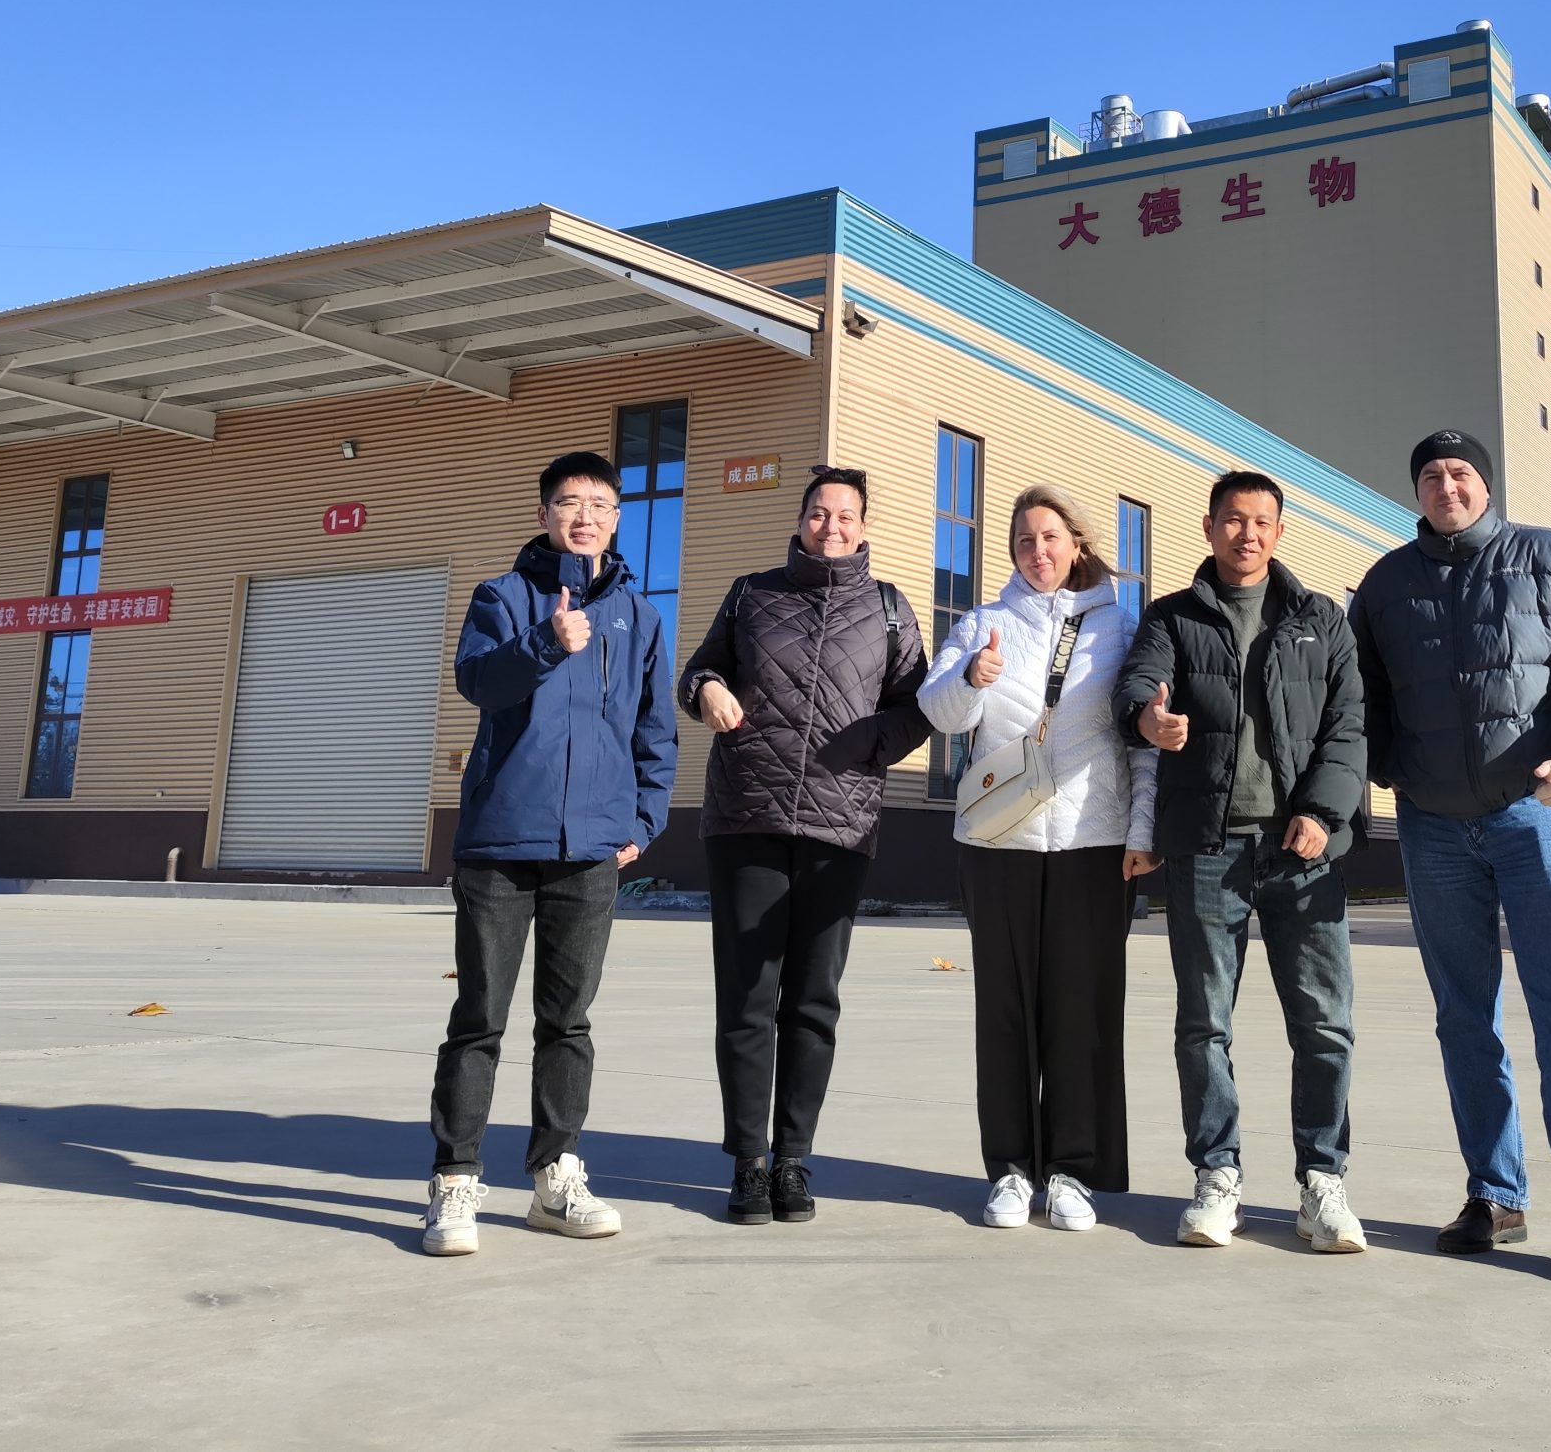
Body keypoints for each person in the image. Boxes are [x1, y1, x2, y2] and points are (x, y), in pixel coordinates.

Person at [1347, 430, 1551, 1292]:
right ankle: (1495, 1194)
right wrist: (1387, 771)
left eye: (1461, 473)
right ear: (1416, 491)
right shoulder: (1386, 583)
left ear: (1486, 484)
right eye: (1431, 476)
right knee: (1464, 1017)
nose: (1447, 486)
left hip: (1533, 817)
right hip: (1433, 827)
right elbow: (1358, 695)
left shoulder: (1550, 558)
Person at [422, 449, 676, 1257]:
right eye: (569, 502)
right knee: (479, 1019)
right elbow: (477, 683)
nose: (585, 516)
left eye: (600, 504)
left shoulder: (639, 615)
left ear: (617, 519)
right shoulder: (501, 596)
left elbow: (654, 730)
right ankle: (454, 1180)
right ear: (543, 514)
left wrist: (644, 817)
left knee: (568, 1022)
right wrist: (546, 642)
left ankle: (555, 1175)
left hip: (591, 849)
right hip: (500, 841)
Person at [1113, 469, 1369, 1253]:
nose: (1246, 533)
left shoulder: (1321, 620)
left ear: (1279, 533)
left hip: (1303, 851)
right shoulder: (1172, 616)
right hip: (1206, 847)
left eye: (1261, 521)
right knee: (1204, 1024)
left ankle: (1322, 1180)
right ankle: (1216, 1177)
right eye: (1232, 519)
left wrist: (1322, 813)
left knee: (1324, 1024)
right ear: (1208, 527)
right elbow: (1136, 687)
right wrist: (1148, 721)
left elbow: (1348, 727)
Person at [681, 464, 930, 1225]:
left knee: (814, 1000)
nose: (831, 527)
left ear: (864, 526)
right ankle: (748, 1162)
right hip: (746, 818)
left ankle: (793, 1158)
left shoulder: (889, 609)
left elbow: (918, 707)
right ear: (800, 520)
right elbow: (699, 672)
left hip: (839, 825)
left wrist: (864, 748)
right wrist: (708, 690)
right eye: (819, 513)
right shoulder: (750, 594)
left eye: (845, 515)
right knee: (747, 996)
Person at [920, 485, 1158, 1232]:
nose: (1037, 550)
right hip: (1001, 845)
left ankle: (1072, 1172)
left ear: (1077, 542)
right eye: (1024, 539)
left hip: (1095, 841)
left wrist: (1142, 830)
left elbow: (1142, 742)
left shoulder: (1121, 628)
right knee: (1006, 1009)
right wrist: (971, 677)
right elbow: (938, 711)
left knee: (1083, 1012)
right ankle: (1012, 1169)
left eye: (1050, 536)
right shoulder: (983, 623)